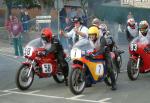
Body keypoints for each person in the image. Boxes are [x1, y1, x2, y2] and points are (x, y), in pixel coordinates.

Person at [87, 26, 117, 90]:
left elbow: (101, 49)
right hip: (94, 52)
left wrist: (95, 54)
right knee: (87, 63)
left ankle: (114, 83)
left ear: (96, 34)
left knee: (109, 67)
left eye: (93, 35)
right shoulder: (88, 39)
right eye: (90, 35)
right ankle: (88, 81)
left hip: (105, 52)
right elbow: (85, 46)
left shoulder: (101, 38)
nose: (91, 36)